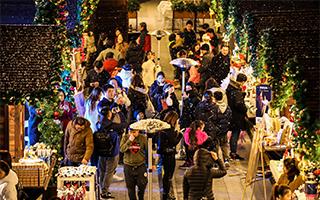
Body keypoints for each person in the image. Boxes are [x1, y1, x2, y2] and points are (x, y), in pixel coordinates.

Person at [98, 106, 128, 199]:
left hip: (101, 151)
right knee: (110, 172)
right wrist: (119, 112)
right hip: (113, 152)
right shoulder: (113, 126)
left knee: (102, 171)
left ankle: (101, 189)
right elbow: (125, 123)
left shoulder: (99, 124)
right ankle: (104, 192)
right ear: (109, 114)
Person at [119, 128, 151, 200]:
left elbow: (148, 151)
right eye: (130, 132)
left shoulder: (142, 138)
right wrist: (129, 141)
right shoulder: (125, 138)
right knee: (130, 188)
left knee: (142, 185)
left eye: (134, 132)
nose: (132, 134)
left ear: (138, 131)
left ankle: (141, 197)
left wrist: (152, 163)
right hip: (129, 165)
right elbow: (121, 149)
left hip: (140, 165)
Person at [157, 111, 183, 200]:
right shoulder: (169, 129)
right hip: (169, 154)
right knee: (168, 175)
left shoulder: (163, 127)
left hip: (163, 154)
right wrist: (179, 135)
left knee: (166, 174)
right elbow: (174, 142)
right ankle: (166, 193)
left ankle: (165, 192)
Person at [226, 73, 247, 160]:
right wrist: (244, 109)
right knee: (235, 133)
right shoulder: (237, 91)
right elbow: (238, 104)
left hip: (231, 113)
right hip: (236, 115)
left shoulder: (230, 88)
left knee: (234, 133)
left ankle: (233, 152)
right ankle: (233, 153)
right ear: (242, 82)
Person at [213, 91, 232, 167]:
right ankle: (226, 159)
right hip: (224, 129)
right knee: (224, 145)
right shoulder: (227, 107)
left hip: (216, 129)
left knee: (216, 146)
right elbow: (230, 117)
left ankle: (216, 161)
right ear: (223, 97)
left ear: (214, 98)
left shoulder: (213, 107)